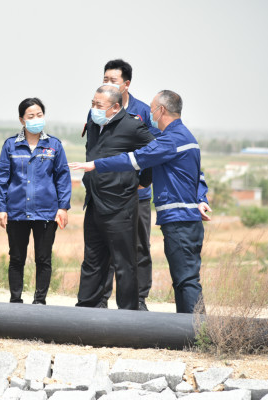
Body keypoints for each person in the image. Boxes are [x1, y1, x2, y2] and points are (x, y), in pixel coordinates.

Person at [69, 90, 211, 314]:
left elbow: (135, 159)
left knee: (186, 280)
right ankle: (190, 329)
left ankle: (197, 330)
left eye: (152, 110)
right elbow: (195, 174)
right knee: (183, 280)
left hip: (180, 219)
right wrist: (201, 198)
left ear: (161, 110)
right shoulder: (185, 137)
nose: (149, 114)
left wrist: (96, 165)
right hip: (181, 218)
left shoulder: (170, 140)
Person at [76, 85, 154, 310]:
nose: (94, 108)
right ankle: (87, 308)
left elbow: (153, 153)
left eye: (99, 105)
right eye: (92, 103)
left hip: (120, 205)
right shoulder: (93, 122)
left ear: (115, 107)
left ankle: (128, 314)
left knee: (124, 262)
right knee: (92, 260)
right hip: (94, 201)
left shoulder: (132, 126)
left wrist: (143, 181)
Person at [98, 59, 162, 311]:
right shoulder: (99, 109)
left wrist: (144, 181)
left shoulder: (143, 112)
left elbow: (157, 149)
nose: (107, 83)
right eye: (105, 79)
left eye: (113, 80)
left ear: (126, 84)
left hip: (137, 195)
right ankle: (100, 299)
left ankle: (139, 299)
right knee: (104, 246)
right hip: (106, 194)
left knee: (139, 246)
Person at [0, 98, 72, 305]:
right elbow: (1, 179)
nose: (36, 119)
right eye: (31, 116)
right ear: (22, 120)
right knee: (16, 258)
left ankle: (40, 302)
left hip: (46, 211)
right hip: (17, 211)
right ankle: (15, 300)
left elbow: (63, 178)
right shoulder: (11, 145)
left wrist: (63, 207)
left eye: (39, 115)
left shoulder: (54, 145)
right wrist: (0, 208)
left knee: (43, 259)